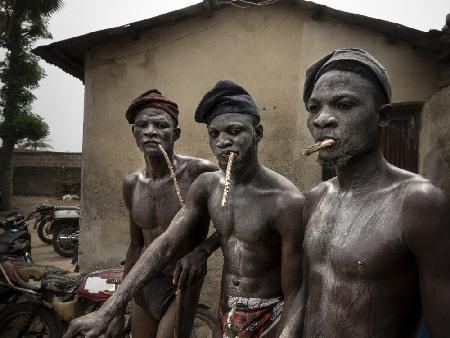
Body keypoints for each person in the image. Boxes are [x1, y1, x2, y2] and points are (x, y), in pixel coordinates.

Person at [63, 80, 304, 338]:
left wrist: (201, 250)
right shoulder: (206, 186)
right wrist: (110, 309)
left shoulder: (285, 200)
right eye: (214, 134)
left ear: (258, 133)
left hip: (262, 311)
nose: (223, 142)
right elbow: (162, 244)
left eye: (234, 131)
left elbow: (297, 290)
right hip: (222, 308)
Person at [280, 48, 450, 337]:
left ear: (383, 117)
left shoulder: (418, 203)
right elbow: (305, 293)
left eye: (343, 105)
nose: (323, 120)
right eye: (313, 108)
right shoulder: (315, 199)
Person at [107, 89, 218, 338]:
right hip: (144, 284)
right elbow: (136, 246)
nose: (151, 131)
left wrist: (202, 251)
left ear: (175, 134)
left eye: (160, 125)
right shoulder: (132, 184)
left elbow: (233, 219)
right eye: (143, 125)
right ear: (133, 132)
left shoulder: (200, 172)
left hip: (181, 282)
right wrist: (118, 308)